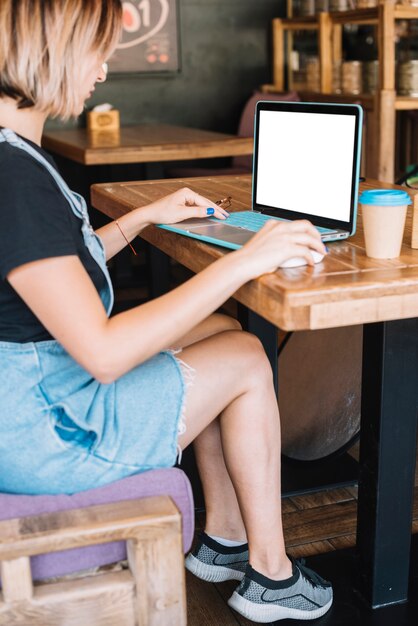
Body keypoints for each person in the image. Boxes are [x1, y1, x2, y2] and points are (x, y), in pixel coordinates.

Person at [0, 1, 332, 622]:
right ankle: (272, 575)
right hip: (49, 430)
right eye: (96, 50)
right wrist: (245, 260)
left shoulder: (15, 155)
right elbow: (102, 353)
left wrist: (143, 217)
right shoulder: (12, 176)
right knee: (247, 355)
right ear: (49, 52)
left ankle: (223, 539)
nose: (104, 68)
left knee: (223, 330)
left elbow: (53, 271)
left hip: (32, 392)